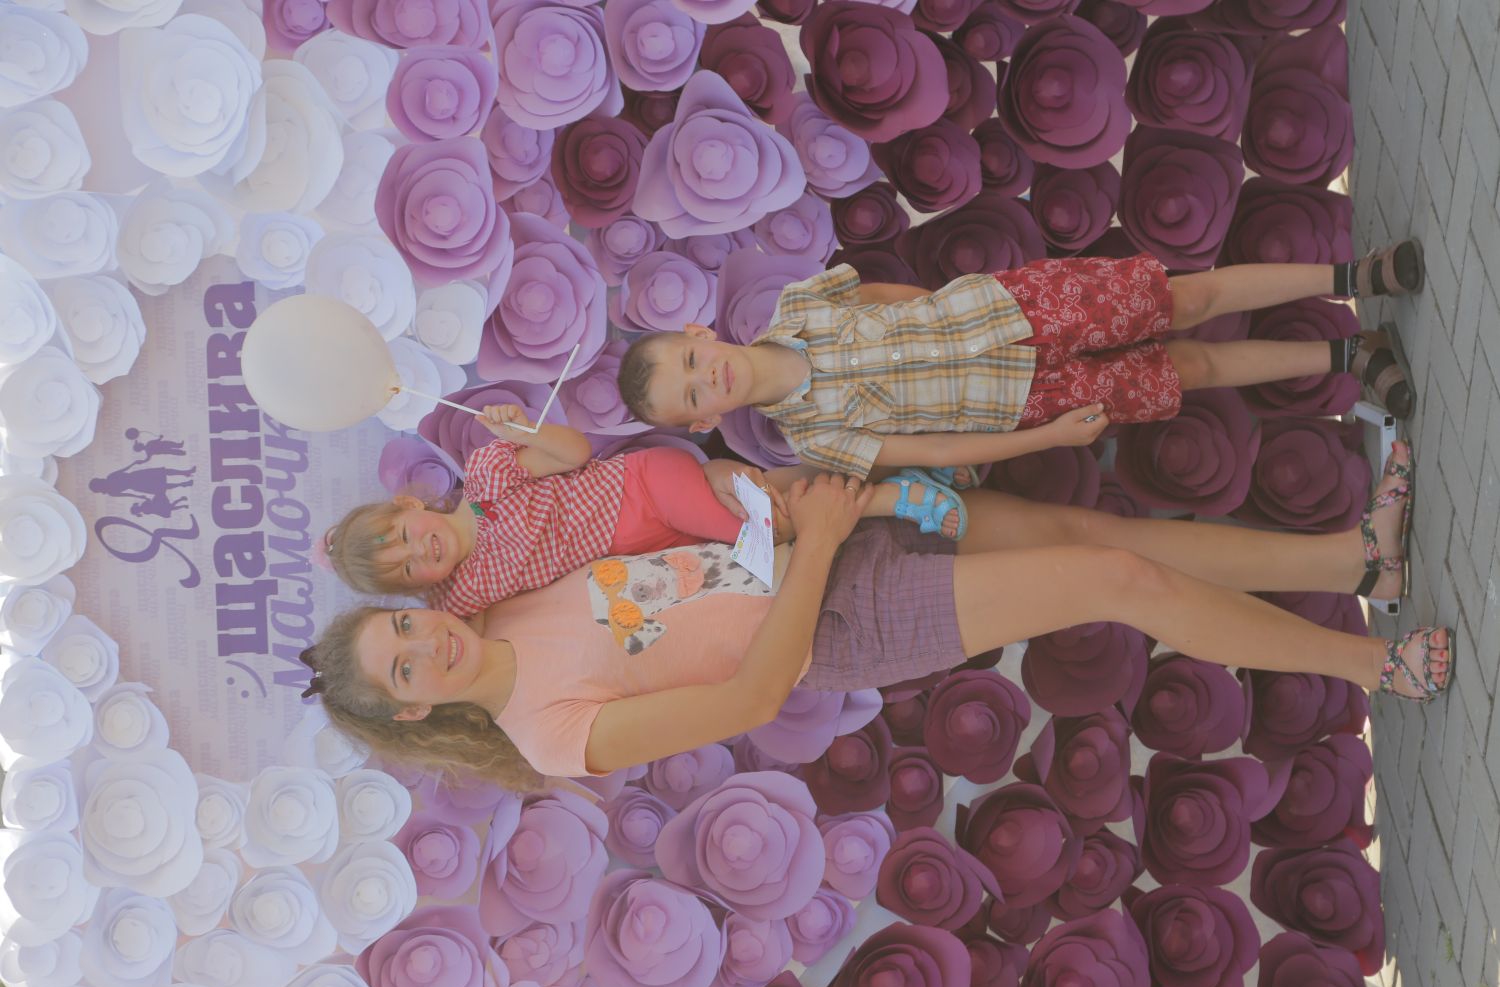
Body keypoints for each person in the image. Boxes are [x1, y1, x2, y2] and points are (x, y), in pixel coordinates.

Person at [301, 440, 1449, 791]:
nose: (423, 643)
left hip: (818, 534)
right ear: (415, 714)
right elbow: (752, 697)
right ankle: (1375, 664)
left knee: (1092, 535)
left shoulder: (499, 594)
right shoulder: (550, 735)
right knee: (1115, 579)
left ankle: (1355, 552)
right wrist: (823, 546)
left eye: (399, 626)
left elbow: (604, 496)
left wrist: (786, 510)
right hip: (841, 617)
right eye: (405, 668)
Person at [615, 242, 1425, 480]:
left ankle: (1356, 278)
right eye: (692, 397)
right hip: (1027, 400)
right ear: (705, 421)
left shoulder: (799, 304)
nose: (705, 378)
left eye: (689, 361)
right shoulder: (813, 439)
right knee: (1191, 371)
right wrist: (1047, 437)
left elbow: (888, 295)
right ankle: (1350, 353)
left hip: (1016, 308)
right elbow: (934, 450)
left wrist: (962, 309)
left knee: (1187, 300)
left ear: (698, 332)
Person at [325, 405, 978, 617]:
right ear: (415, 590)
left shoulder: (488, 478)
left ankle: (893, 496)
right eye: (406, 568)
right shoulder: (460, 595)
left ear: (408, 503)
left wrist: (524, 429)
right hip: (646, 551)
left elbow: (575, 452)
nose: (420, 551)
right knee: (769, 508)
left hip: (643, 488)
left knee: (766, 532)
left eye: (404, 534)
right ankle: (897, 470)